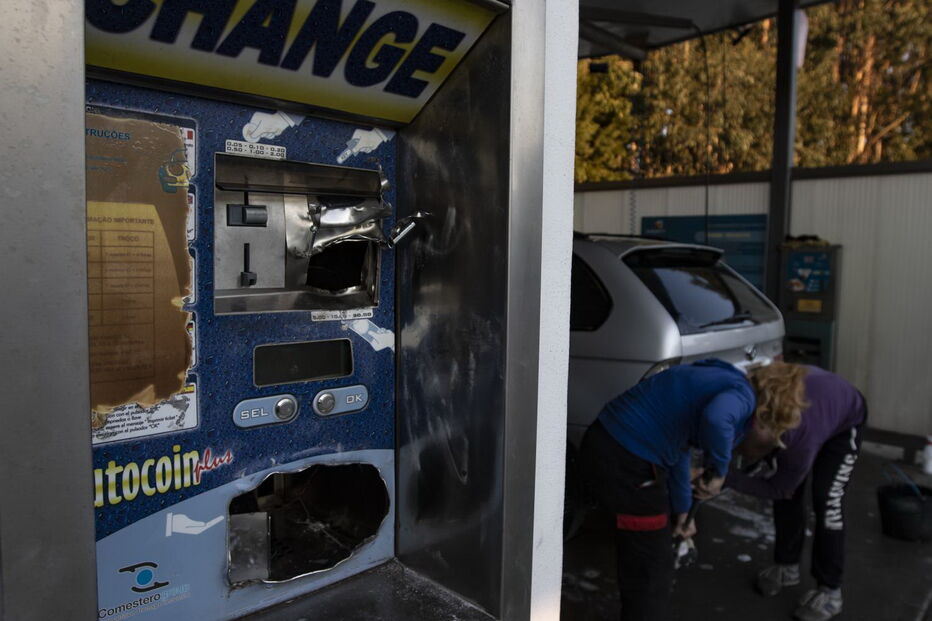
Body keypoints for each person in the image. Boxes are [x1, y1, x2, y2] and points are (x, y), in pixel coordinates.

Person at [579, 358, 758, 621]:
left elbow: (678, 453)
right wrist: (719, 470)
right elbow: (717, 418)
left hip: (605, 442)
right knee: (651, 567)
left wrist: (683, 511)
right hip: (630, 460)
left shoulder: (711, 376)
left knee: (644, 555)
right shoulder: (744, 395)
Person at [727, 363, 866, 621]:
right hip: (809, 410)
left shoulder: (798, 441)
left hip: (846, 419)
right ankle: (787, 566)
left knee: (828, 503)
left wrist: (727, 480)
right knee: (782, 482)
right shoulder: (751, 407)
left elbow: (780, 489)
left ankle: (831, 590)